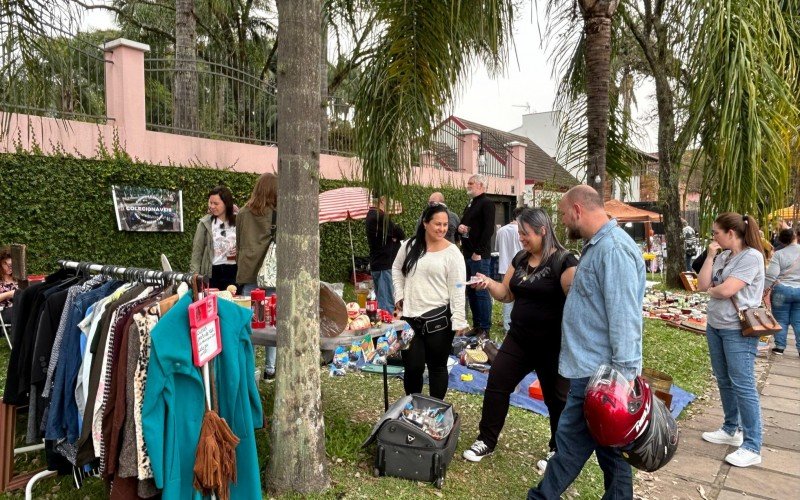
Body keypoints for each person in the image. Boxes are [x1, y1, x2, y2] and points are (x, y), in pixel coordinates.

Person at [528, 185, 645, 500]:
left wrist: (621, 380)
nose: (564, 223)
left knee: (571, 444)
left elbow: (624, 317)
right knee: (609, 451)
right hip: (592, 370)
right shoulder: (598, 246)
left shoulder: (614, 250)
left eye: (565, 215)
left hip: (600, 376)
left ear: (577, 210)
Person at [463, 208, 576, 472]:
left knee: (556, 399)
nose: (522, 239)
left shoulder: (565, 261)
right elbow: (507, 294)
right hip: (519, 340)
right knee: (496, 384)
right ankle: (486, 441)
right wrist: (489, 283)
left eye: (526, 234)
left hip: (552, 345)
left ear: (543, 231)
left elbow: (577, 306)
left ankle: (557, 449)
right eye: (520, 233)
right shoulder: (521, 259)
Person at [697, 212, 765, 468]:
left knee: (743, 384)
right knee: (724, 379)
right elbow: (702, 285)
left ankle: (752, 444)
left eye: (716, 232)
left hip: (738, 330)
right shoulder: (723, 256)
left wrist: (715, 291)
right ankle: (730, 428)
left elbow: (726, 290)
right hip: (715, 325)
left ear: (731, 233)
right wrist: (712, 255)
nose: (713, 236)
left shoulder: (752, 257)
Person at [392, 204, 469, 400]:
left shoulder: (453, 253)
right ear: (425, 223)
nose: (442, 229)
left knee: (437, 367)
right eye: (437, 224)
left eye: (445, 225)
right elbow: (396, 269)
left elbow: (458, 288)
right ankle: (412, 407)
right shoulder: (409, 246)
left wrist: (459, 319)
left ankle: (435, 410)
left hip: (439, 321)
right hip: (409, 319)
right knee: (412, 367)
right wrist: (399, 295)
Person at [236, 173, 278, 378]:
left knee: (250, 324)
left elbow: (239, 242)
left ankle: (249, 369)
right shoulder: (277, 214)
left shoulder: (242, 213)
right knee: (272, 323)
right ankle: (270, 369)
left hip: (248, 273)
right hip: (270, 274)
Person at [458, 174, 496, 337]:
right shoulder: (471, 203)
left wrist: (478, 252)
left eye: (471, 183)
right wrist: (461, 228)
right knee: (471, 291)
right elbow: (471, 225)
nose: (468, 185)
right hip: (467, 253)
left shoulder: (487, 203)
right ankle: (477, 325)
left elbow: (488, 229)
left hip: (478, 255)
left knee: (481, 290)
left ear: (481, 185)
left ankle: (485, 328)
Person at [190, 185, 238, 290]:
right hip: (212, 273)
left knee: (232, 304)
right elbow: (197, 252)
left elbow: (247, 246)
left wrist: (239, 250)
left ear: (226, 203)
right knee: (213, 305)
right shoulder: (204, 223)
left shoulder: (238, 221)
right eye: (210, 203)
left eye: (216, 203)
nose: (212, 206)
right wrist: (195, 277)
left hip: (233, 272)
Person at [366, 195, 405, 313]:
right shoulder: (380, 217)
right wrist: (394, 237)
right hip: (384, 264)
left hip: (377, 263)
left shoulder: (370, 215)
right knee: (387, 304)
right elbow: (400, 233)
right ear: (382, 199)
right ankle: (389, 330)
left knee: (381, 301)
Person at [766, 228, 800, 355]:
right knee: (799, 320)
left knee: (780, 318)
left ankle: (779, 347)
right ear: (795, 236)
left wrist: (764, 289)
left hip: (781, 290)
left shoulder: (779, 254)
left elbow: (771, 275)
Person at [493, 206, 524, 333]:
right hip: (521, 267)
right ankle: (518, 324)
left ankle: (507, 326)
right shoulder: (522, 231)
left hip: (504, 267)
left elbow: (497, 249)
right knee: (521, 297)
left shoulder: (501, 231)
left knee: (507, 298)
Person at [0, 247, 18, 324]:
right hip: (3, 311)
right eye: (5, 264)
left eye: (11, 265)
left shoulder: (19, 280)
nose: (9, 267)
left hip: (17, 309)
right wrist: (9, 294)